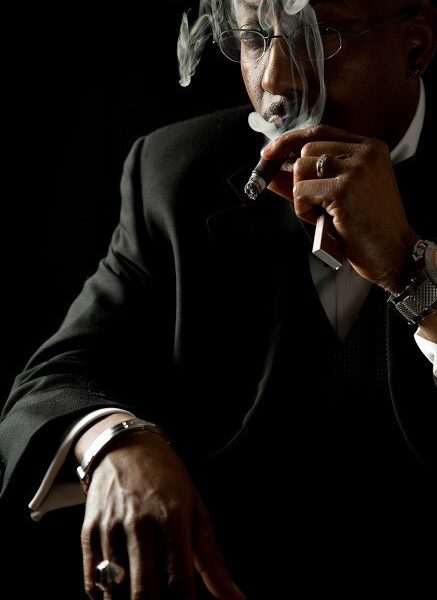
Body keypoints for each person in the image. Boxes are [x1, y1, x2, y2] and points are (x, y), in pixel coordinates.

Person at [1, 0, 436, 598]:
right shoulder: (176, 175)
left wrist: (409, 269)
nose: (278, 81)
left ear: (417, 44)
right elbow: (53, 380)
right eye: (255, 36)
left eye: (322, 34)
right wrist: (113, 440)